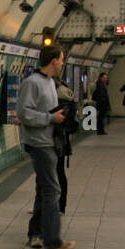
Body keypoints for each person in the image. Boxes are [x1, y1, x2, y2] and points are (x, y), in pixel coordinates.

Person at [13, 45, 74, 249]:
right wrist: (50, 118)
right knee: (52, 190)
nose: (63, 63)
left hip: (50, 141)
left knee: (43, 189)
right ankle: (53, 239)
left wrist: (60, 117)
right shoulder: (32, 83)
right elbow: (24, 113)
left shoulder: (50, 83)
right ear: (54, 61)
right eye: (62, 59)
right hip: (39, 144)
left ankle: (36, 234)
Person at [53, 76, 77, 215]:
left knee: (53, 174)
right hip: (62, 140)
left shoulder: (56, 95)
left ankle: (57, 205)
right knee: (60, 173)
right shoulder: (66, 93)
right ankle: (61, 205)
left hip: (54, 139)